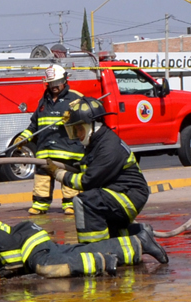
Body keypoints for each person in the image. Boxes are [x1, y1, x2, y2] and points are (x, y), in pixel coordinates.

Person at [47, 97, 150, 244]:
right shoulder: (96, 142)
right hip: (118, 192)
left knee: (85, 201)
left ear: (92, 125)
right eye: (75, 130)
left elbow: (88, 181)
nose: (78, 134)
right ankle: (140, 236)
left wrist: (58, 173)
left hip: (128, 196)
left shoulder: (108, 146)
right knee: (110, 231)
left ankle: (93, 248)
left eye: (80, 129)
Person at [0, 215, 168, 278]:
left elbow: (2, 241)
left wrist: (8, 269)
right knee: (76, 251)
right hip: (29, 236)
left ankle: (103, 262)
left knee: (47, 266)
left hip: (27, 243)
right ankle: (139, 242)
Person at [16, 64, 86, 216]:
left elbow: (88, 120)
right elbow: (35, 125)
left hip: (68, 150)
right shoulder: (43, 101)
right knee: (42, 179)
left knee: (68, 178)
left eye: (57, 82)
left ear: (65, 80)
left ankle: (71, 205)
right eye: (51, 83)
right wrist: (23, 138)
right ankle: (40, 205)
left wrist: (73, 117)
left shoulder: (76, 98)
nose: (54, 86)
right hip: (45, 150)